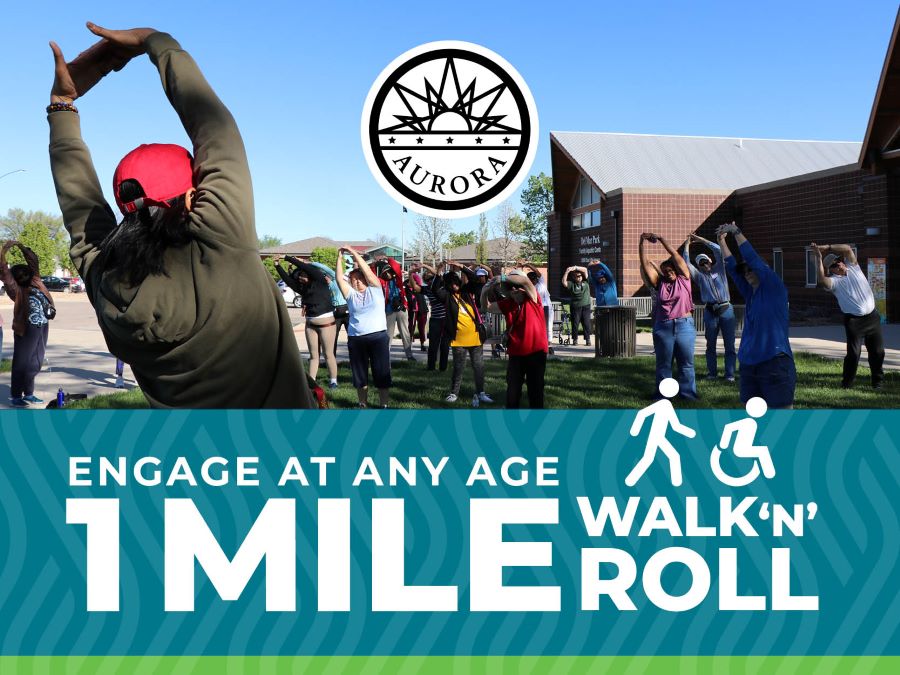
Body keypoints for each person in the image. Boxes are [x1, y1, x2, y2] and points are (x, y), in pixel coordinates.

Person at [47, 23, 313, 408]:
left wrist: (62, 103)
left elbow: (80, 210)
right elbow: (215, 128)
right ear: (192, 196)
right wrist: (157, 44)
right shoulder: (219, 244)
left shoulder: (104, 276)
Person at [718, 223, 795, 408]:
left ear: (763, 270)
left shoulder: (773, 287)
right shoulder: (750, 293)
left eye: (750, 269)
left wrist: (736, 232)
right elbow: (731, 267)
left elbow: (752, 258)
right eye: (745, 272)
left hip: (774, 360)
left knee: (781, 412)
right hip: (748, 363)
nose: (747, 273)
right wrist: (721, 241)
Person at [812, 242, 885, 389]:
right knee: (853, 354)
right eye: (835, 265)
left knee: (878, 351)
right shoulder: (835, 282)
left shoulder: (854, 268)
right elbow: (822, 280)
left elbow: (847, 249)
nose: (840, 265)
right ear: (832, 270)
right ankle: (847, 384)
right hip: (854, 322)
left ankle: (878, 382)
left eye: (839, 261)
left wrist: (826, 248)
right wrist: (818, 259)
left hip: (872, 317)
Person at [639, 233, 697, 399]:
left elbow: (676, 256)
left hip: (684, 324)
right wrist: (641, 243)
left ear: (676, 270)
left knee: (686, 363)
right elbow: (644, 264)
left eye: (671, 269)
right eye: (665, 271)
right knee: (664, 364)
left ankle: (688, 394)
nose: (669, 272)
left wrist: (662, 240)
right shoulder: (660, 284)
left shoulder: (684, 279)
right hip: (664, 326)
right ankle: (663, 395)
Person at [482, 271, 548, 408]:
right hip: (516, 354)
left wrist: (502, 277)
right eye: (511, 287)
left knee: (535, 392)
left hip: (536, 353)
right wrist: (485, 290)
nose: (515, 290)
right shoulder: (508, 304)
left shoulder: (534, 299)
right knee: (512, 392)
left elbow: (525, 282)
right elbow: (486, 307)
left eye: (516, 286)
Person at [0, 241, 54, 407]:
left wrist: (22, 248)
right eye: (20, 275)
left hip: (43, 325)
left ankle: (29, 393)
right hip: (26, 328)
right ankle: (16, 395)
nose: (24, 277)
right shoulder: (16, 290)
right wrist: (4, 251)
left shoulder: (36, 281)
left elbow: (33, 261)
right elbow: (5, 275)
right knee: (21, 362)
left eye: (25, 273)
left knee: (36, 361)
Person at [336, 247, 391, 408]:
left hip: (378, 337)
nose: (357, 281)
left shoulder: (375, 290)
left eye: (360, 278)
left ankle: (384, 404)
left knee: (381, 372)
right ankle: (362, 403)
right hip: (356, 339)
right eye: (353, 279)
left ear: (366, 279)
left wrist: (353, 253)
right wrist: (339, 257)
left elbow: (367, 270)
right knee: (359, 374)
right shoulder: (350, 295)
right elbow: (339, 278)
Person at [431, 263, 493, 404]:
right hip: (458, 339)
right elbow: (435, 289)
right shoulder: (447, 297)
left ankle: (481, 392)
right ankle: (454, 393)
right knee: (458, 367)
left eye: (455, 282)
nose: (453, 286)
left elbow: (475, 279)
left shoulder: (466, 291)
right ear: (446, 285)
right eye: (450, 284)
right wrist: (439, 272)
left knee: (478, 367)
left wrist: (461, 266)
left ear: (458, 281)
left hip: (475, 336)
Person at [274, 256, 339, 389]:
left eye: (302, 275)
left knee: (328, 354)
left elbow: (305, 267)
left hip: (326, 323)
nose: (300, 277)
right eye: (299, 276)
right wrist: (277, 266)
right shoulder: (302, 288)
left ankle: (333, 381)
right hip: (310, 324)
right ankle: (311, 382)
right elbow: (288, 280)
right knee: (313, 355)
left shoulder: (320, 280)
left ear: (309, 274)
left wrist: (286, 258)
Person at [683, 233, 737, 382]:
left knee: (729, 344)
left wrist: (700, 239)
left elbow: (718, 250)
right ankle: (712, 373)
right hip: (710, 311)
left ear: (710, 261)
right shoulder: (699, 277)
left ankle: (730, 374)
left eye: (705, 261)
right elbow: (686, 263)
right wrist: (687, 245)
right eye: (701, 263)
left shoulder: (720, 269)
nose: (704, 265)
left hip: (726, 309)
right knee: (710, 344)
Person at [375, 256, 416, 361]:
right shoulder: (381, 281)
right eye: (385, 273)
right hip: (389, 310)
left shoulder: (397, 279)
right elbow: (372, 273)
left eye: (388, 272)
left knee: (405, 333)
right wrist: (375, 263)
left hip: (401, 309)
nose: (387, 274)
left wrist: (387, 258)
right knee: (388, 334)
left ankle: (409, 355)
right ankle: (385, 355)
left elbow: (395, 265)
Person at [311, 261, 349, 360]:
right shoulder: (324, 287)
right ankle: (331, 359)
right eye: (323, 277)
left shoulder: (336, 281)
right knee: (332, 337)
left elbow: (324, 267)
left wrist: (310, 263)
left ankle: (355, 359)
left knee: (352, 337)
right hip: (335, 312)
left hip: (346, 310)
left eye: (326, 276)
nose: (325, 278)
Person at [419, 263, 450, 371]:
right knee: (433, 345)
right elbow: (415, 287)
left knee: (444, 345)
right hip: (436, 320)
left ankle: (442, 367)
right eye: (427, 280)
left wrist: (424, 265)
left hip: (444, 319)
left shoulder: (440, 284)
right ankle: (431, 366)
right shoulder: (427, 289)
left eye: (430, 279)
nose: (429, 281)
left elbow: (437, 274)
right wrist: (410, 274)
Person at [521, 263, 554, 353]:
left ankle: (549, 346)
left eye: (534, 279)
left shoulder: (541, 282)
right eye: (530, 280)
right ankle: (539, 344)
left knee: (549, 327)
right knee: (538, 327)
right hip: (537, 309)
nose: (533, 281)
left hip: (547, 307)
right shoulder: (529, 288)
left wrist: (527, 264)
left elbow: (536, 271)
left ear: (536, 279)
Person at [562, 266, 592, 346]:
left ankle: (588, 339)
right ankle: (575, 340)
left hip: (586, 306)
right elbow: (564, 282)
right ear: (574, 278)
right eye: (577, 276)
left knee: (586, 323)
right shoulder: (572, 284)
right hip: (575, 307)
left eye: (580, 276)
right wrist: (567, 271)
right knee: (575, 324)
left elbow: (585, 269)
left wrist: (575, 267)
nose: (579, 278)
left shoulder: (586, 282)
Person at [406, 266, 428, 352]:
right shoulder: (407, 288)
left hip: (422, 310)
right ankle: (409, 344)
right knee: (410, 327)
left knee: (421, 328)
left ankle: (422, 344)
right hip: (412, 311)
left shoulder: (419, 289)